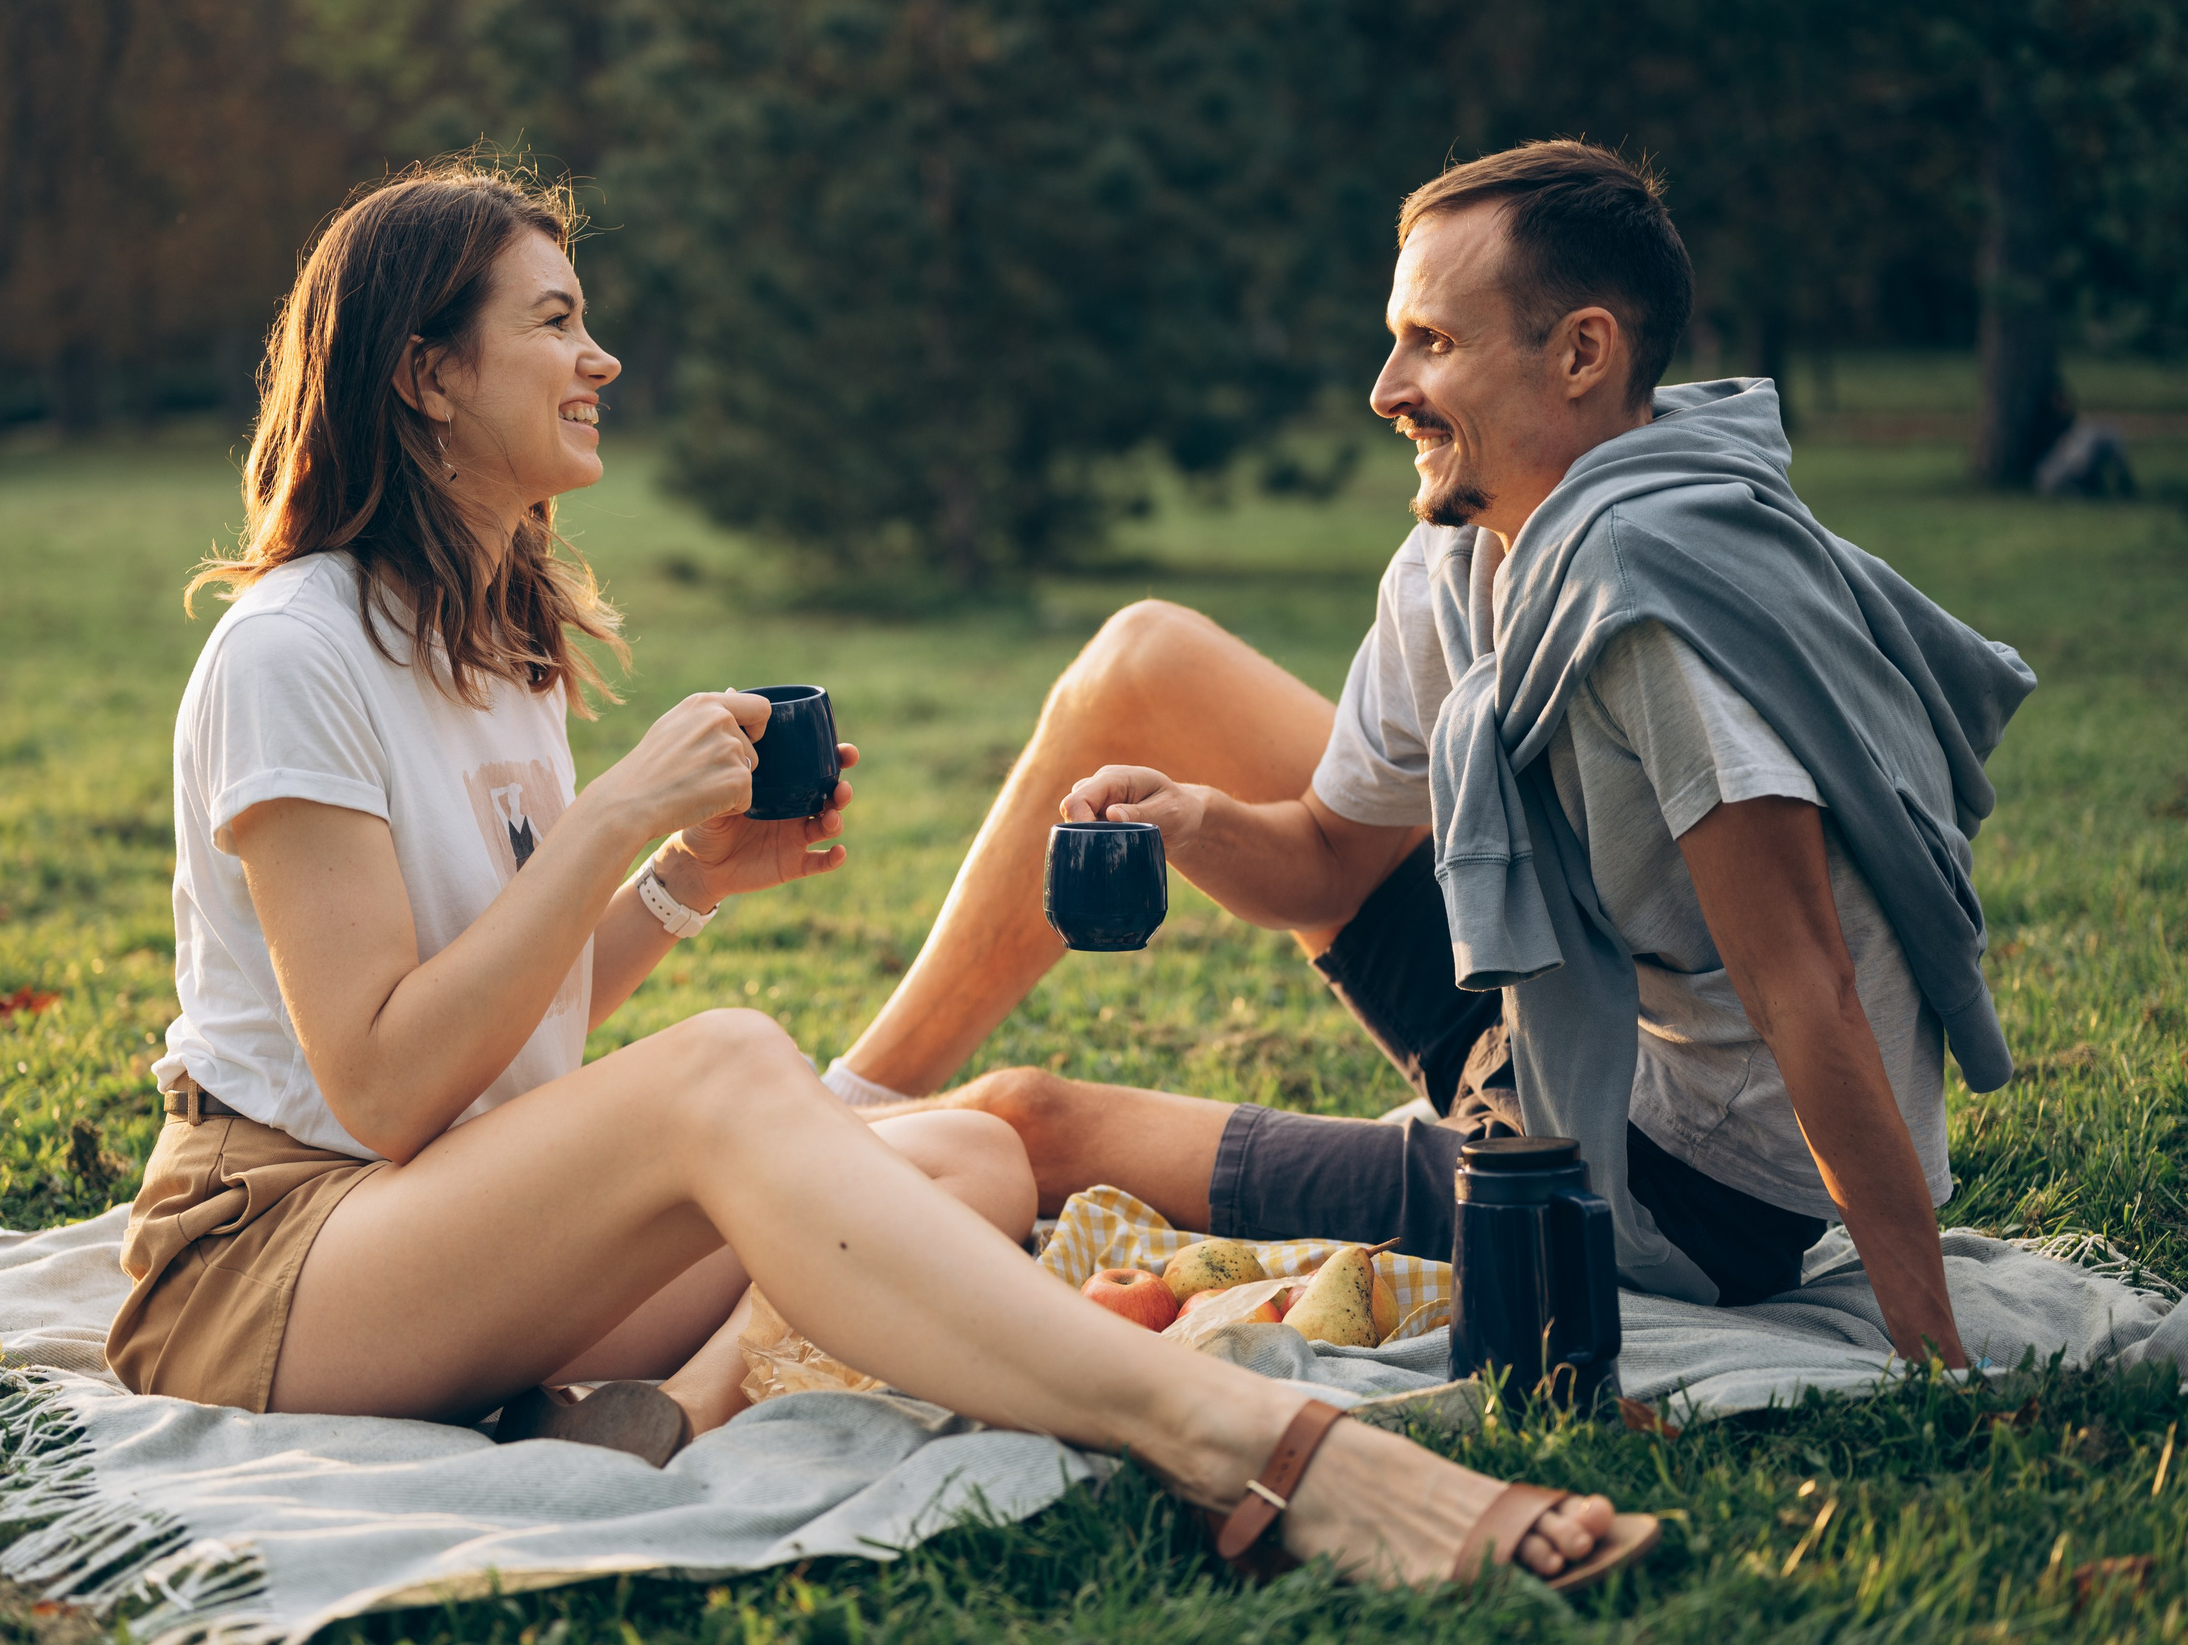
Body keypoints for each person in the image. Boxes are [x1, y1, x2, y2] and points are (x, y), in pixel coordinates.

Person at [102, 158, 1653, 1592]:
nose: (604, 359)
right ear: (425, 374)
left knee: (970, 1160)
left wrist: (683, 885)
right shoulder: (293, 652)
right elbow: (379, 1083)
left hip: (448, 1222)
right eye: (559, 321)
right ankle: (1247, 1445)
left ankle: (649, 1414)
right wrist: (612, 823)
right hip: (279, 1260)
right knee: (728, 1067)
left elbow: (504, 1028)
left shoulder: (491, 645)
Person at [828, 141, 2034, 1365]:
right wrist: (1193, 821)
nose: (1384, 385)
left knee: (1023, 1124)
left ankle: (757, 1176)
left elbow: (1806, 989)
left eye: (1432, 342)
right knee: (1145, 653)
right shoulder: (1468, 548)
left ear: (1581, 353)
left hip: (1666, 1183)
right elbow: (1324, 862)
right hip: (1553, 1019)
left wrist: (1931, 1351)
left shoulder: (1649, 610)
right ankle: (848, 1105)